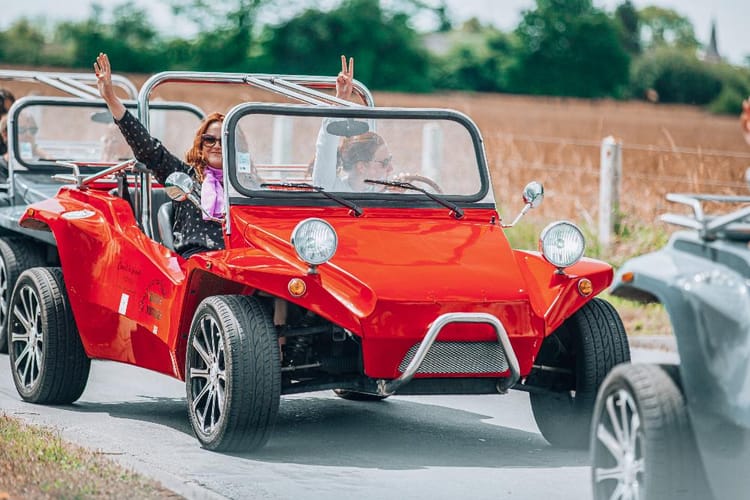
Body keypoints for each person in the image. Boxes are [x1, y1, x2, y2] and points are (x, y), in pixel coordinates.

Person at [94, 52, 225, 258]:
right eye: (210, 140)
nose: (217, 145)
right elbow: (148, 149)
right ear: (201, 145)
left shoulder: (245, 185)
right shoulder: (184, 176)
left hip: (238, 259)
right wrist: (111, 98)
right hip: (196, 261)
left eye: (224, 141)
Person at [312, 56, 393, 191]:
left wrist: (402, 190)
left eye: (389, 160)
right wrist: (340, 101)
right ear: (361, 166)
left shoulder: (384, 190)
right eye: (384, 163)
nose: (391, 168)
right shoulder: (331, 189)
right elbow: (326, 146)